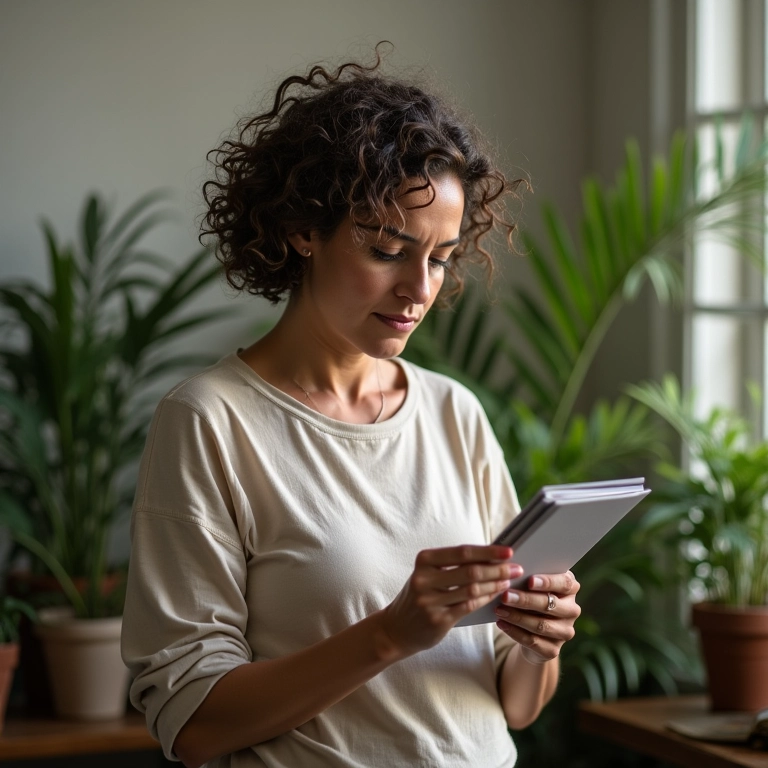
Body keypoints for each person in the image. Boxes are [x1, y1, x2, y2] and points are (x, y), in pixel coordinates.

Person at [121, 49, 581, 768]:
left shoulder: (454, 414)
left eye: (439, 258)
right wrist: (390, 634)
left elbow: (516, 705)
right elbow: (194, 723)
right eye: (388, 249)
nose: (419, 289)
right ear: (304, 230)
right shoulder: (211, 422)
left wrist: (537, 644)